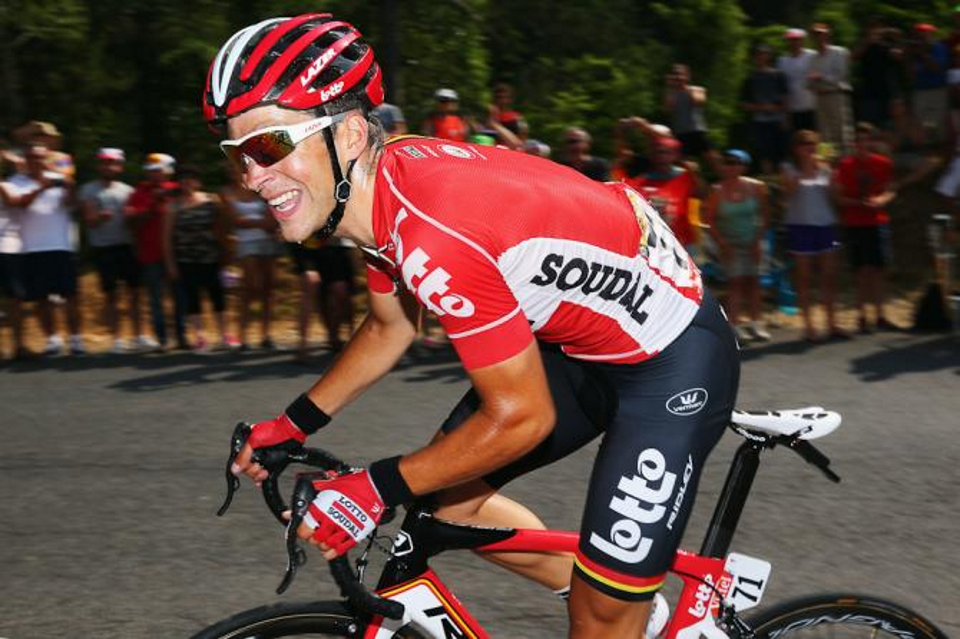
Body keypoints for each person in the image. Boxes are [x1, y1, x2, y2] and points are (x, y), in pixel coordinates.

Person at [206, 15, 739, 638]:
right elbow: (388, 325)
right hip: (580, 339)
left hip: (671, 365)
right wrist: (293, 424)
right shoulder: (380, 190)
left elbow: (522, 419)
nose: (251, 176)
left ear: (349, 134)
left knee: (595, 617)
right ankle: (629, 610)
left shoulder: (435, 232)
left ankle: (614, 610)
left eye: (269, 145)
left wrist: (372, 487)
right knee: (445, 498)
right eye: (237, 152)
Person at [5, 144, 84, 355]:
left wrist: (71, 186)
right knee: (41, 298)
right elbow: (19, 204)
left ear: (47, 158)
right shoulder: (15, 182)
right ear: (26, 160)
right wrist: (41, 187)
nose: (36, 161)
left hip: (61, 245)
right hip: (31, 247)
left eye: (40, 157)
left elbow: (73, 205)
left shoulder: (59, 178)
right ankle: (53, 339)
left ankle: (76, 340)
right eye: (32, 157)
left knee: (71, 295)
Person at [78, 148, 152, 353]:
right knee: (111, 296)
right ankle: (118, 339)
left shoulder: (128, 191)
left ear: (119, 166)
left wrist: (133, 217)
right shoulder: (88, 190)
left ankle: (140, 335)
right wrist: (99, 217)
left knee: (136, 292)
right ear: (98, 165)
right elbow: (89, 220)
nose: (108, 166)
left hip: (128, 245)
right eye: (104, 163)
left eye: (112, 163)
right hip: (104, 248)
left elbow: (135, 220)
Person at [162, 164, 235, 352]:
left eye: (191, 177)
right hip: (186, 259)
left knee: (218, 296)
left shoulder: (211, 200)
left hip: (212, 257)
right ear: (179, 183)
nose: (187, 181)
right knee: (193, 299)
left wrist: (228, 251)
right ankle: (200, 337)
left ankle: (225, 335)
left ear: (197, 181)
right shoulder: (173, 206)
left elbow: (224, 224)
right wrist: (171, 265)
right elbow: (166, 239)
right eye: (183, 178)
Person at [780, 130, 843, 342]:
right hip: (800, 225)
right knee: (804, 277)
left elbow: (834, 196)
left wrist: (832, 176)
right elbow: (788, 192)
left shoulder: (824, 168)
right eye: (805, 145)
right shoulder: (788, 168)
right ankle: (809, 326)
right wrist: (807, 168)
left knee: (829, 275)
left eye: (813, 145)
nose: (810, 149)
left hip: (825, 224)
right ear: (797, 148)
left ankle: (832, 322)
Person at [835, 122, 897, 333]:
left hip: (877, 220)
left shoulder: (883, 163)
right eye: (859, 140)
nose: (863, 144)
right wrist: (858, 203)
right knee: (861, 271)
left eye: (866, 139)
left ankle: (880, 315)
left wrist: (880, 200)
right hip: (855, 222)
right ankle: (862, 316)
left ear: (872, 141)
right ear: (854, 143)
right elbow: (839, 198)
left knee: (878, 271)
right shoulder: (845, 165)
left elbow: (890, 190)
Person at [704, 149, 770, 342]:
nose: (732, 167)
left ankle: (757, 323)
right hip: (729, 243)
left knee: (754, 283)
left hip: (753, 240)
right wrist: (722, 244)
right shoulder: (717, 191)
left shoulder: (757, 187)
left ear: (744, 166)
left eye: (736, 162)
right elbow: (709, 220)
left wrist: (758, 240)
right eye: (728, 162)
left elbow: (765, 214)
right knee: (735, 284)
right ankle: (736, 324)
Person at [126, 153, 187, 350]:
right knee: (156, 300)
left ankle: (182, 337)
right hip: (150, 255)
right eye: (150, 171)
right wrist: (152, 206)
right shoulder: (138, 193)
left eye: (157, 170)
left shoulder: (178, 191)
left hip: (178, 254)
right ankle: (163, 339)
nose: (153, 174)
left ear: (168, 171)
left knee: (181, 297)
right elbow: (130, 222)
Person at [221, 166, 280, 350]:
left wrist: (255, 223)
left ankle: (266, 335)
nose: (237, 172)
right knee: (250, 287)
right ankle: (243, 336)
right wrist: (263, 223)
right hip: (246, 244)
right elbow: (236, 220)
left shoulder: (261, 190)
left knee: (268, 290)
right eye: (233, 169)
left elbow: (273, 219)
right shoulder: (226, 192)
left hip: (268, 242)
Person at [626, 135, 702, 255]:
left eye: (666, 152)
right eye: (658, 152)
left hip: (683, 243)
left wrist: (696, 175)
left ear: (675, 155)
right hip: (654, 245)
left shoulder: (687, 177)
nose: (662, 156)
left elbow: (705, 197)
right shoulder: (640, 182)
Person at [740, 43, 789, 175]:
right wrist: (762, 107)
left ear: (769, 56)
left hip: (778, 120)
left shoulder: (778, 75)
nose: (761, 57)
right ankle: (769, 181)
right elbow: (744, 104)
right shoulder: (750, 79)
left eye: (764, 53)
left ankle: (782, 181)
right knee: (764, 154)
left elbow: (785, 98)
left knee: (781, 153)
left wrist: (785, 118)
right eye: (758, 54)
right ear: (754, 57)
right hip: (760, 122)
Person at [808, 23, 853, 153]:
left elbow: (841, 75)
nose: (818, 37)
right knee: (823, 133)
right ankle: (827, 164)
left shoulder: (840, 52)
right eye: (815, 34)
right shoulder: (813, 58)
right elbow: (809, 80)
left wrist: (820, 76)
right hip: (820, 96)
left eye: (820, 33)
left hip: (836, 95)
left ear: (828, 34)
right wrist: (811, 81)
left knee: (841, 131)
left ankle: (846, 160)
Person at [0, 156, 28, 359]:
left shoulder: (12, 185)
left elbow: (15, 202)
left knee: (15, 298)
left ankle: (19, 345)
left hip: (9, 247)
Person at [664, 64, 714, 163]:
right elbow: (668, 109)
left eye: (680, 74)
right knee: (684, 164)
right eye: (675, 74)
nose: (678, 77)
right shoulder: (671, 93)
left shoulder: (697, 89)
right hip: (680, 133)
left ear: (687, 76)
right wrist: (670, 88)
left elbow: (699, 102)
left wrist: (684, 87)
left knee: (713, 160)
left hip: (697, 132)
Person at [908, 23, 949, 144]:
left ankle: (939, 150)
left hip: (937, 89)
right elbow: (910, 73)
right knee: (921, 123)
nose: (922, 36)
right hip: (919, 90)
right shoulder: (913, 50)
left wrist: (923, 54)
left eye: (925, 33)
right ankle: (924, 148)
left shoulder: (939, 47)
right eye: (919, 33)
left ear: (931, 34)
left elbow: (937, 67)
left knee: (938, 123)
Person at [778, 29, 817, 132]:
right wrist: (784, 114)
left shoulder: (812, 56)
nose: (794, 42)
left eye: (797, 39)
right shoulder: (782, 61)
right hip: (793, 109)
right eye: (791, 40)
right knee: (797, 140)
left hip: (813, 106)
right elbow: (782, 88)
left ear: (802, 41)